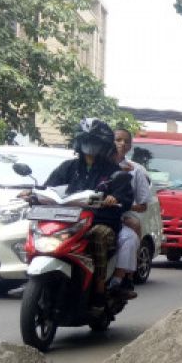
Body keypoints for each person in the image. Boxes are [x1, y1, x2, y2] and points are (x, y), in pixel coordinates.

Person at [43, 119, 133, 304]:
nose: (90, 146)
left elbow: (125, 196)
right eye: (86, 141)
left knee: (99, 236)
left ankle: (99, 290)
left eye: (95, 142)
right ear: (78, 142)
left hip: (100, 221)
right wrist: (32, 193)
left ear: (104, 146)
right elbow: (49, 188)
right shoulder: (68, 167)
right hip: (69, 220)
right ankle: (34, 276)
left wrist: (114, 198)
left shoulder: (112, 170)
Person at [113, 128, 153, 295]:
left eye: (126, 141)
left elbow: (143, 205)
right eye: (118, 139)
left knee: (130, 234)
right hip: (93, 215)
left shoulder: (134, 170)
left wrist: (121, 206)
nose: (122, 144)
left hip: (120, 216)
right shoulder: (97, 166)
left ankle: (121, 279)